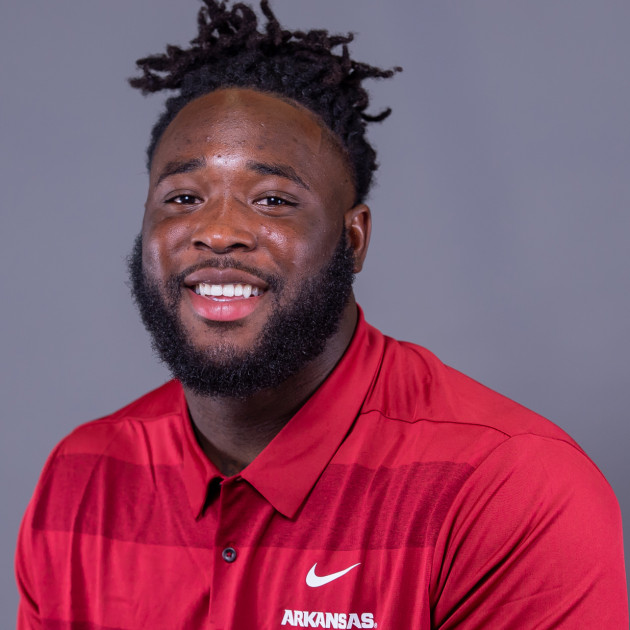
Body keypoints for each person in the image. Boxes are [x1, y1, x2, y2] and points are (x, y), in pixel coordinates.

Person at [15, 1, 627, 628]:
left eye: (273, 199)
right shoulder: (82, 479)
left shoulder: (509, 488)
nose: (217, 231)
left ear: (353, 239)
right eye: (183, 197)